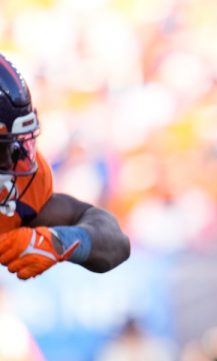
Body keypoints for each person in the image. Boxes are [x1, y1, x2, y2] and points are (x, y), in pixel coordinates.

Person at [0, 54, 130, 280]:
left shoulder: (21, 190)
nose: (12, 162)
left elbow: (115, 242)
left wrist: (58, 242)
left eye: (11, 148)